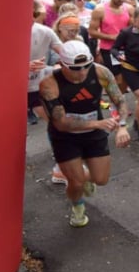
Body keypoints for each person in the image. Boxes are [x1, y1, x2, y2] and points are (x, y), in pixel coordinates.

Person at [38, 41, 131, 227]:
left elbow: (119, 101)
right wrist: (98, 123)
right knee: (76, 183)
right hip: (65, 137)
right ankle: (77, 207)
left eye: (85, 66)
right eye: (75, 68)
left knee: (101, 179)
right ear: (62, 65)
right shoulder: (49, 83)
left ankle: (84, 175)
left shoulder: (100, 72)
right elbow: (61, 123)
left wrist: (122, 126)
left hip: (93, 134)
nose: (81, 72)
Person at [112, 5, 139, 143]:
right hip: (131, 67)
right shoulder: (126, 33)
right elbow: (114, 48)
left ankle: (138, 121)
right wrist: (119, 56)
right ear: (134, 20)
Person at [88, 0, 134, 91]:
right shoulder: (100, 10)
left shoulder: (129, 9)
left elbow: (133, 28)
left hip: (126, 49)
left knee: (125, 80)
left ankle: (119, 103)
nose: (121, 0)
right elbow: (92, 32)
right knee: (116, 79)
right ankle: (116, 104)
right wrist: (112, 37)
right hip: (109, 49)